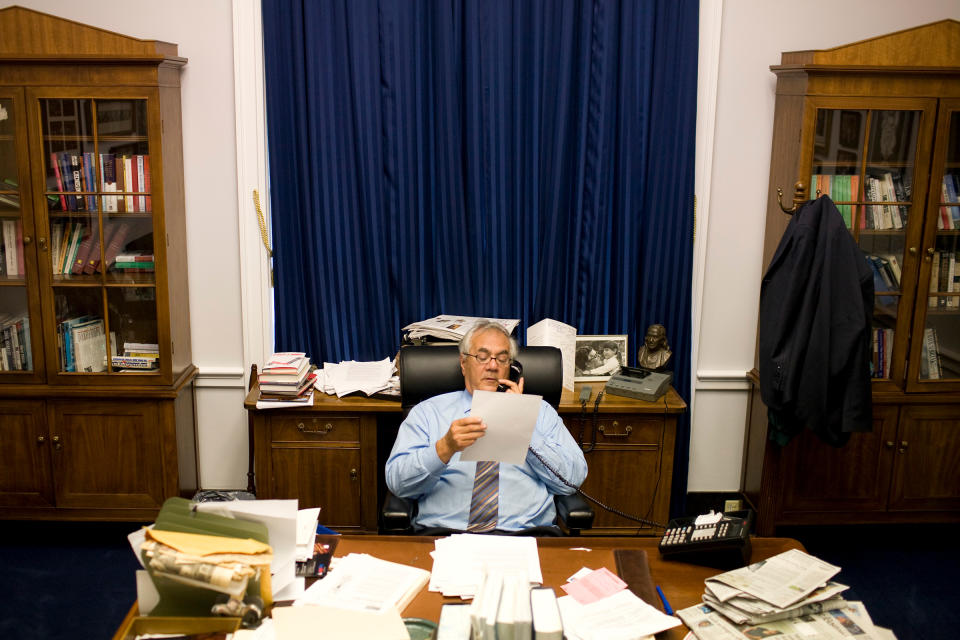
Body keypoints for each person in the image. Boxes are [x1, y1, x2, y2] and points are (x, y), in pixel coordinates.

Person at [385, 320, 587, 533]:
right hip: (445, 534)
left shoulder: (541, 412)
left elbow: (572, 480)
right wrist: (444, 448)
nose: (492, 366)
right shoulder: (428, 412)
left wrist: (525, 427)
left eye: (502, 358)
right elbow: (399, 484)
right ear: (463, 363)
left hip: (526, 535)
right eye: (482, 357)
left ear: (511, 367)